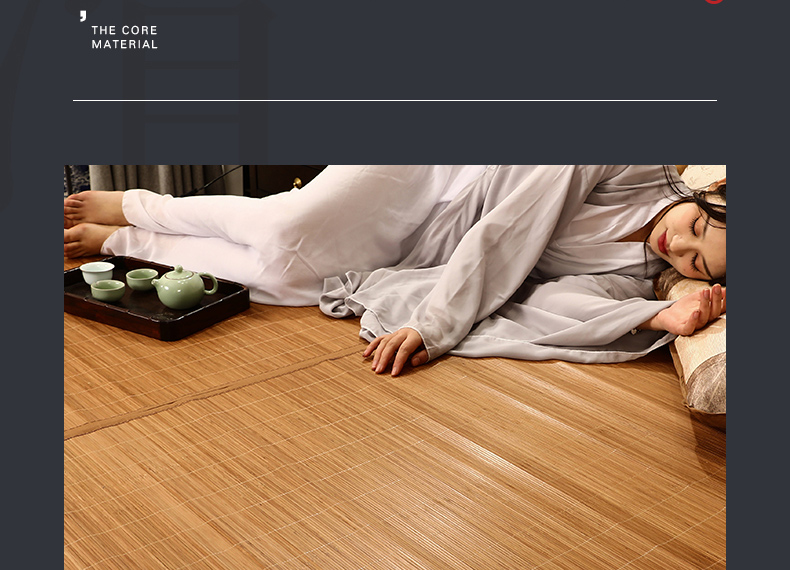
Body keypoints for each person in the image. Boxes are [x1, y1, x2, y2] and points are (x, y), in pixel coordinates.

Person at [64, 165, 726, 376]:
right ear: (714, 192)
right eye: (697, 226)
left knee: (290, 282)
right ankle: (140, 206)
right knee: (289, 226)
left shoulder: (642, 268)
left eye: (695, 261)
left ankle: (125, 239)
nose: (677, 245)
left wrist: (653, 314)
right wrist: (437, 325)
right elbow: (508, 230)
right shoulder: (632, 158)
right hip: (440, 170)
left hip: (443, 245)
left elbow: (556, 301)